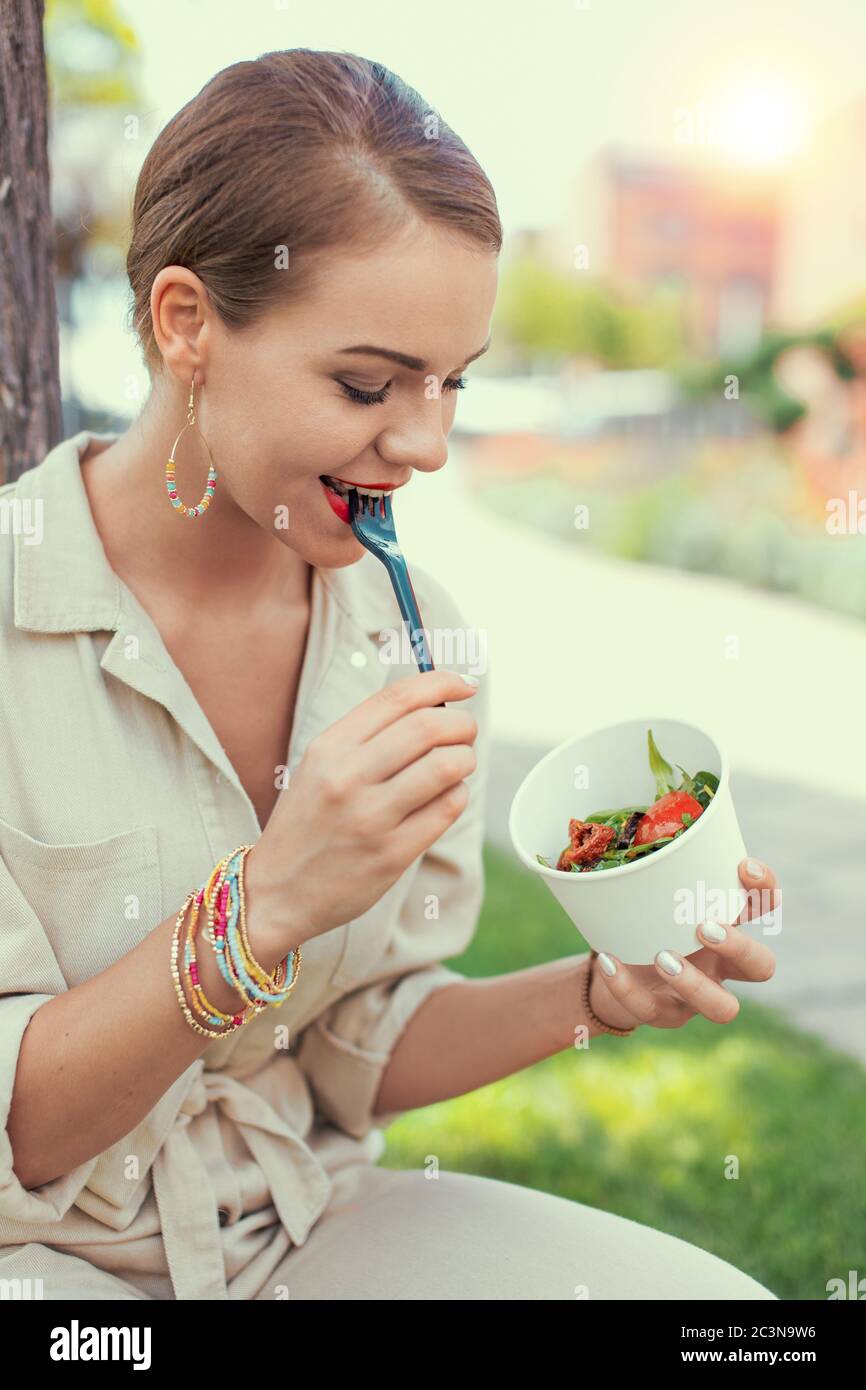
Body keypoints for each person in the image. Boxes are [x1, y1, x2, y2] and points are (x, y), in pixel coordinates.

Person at [0, 49, 779, 1301]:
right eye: (366, 383)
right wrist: (263, 904)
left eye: (451, 381)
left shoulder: (409, 643)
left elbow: (354, 1044)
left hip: (303, 1228)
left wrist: (594, 986)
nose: (424, 443)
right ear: (186, 323)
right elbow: (21, 1131)